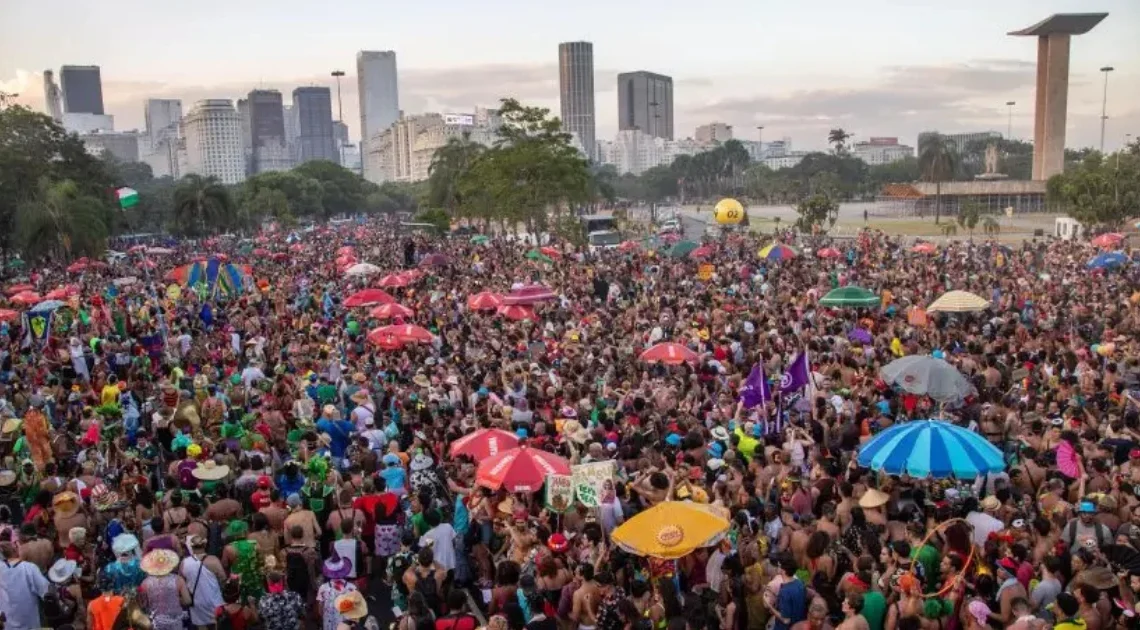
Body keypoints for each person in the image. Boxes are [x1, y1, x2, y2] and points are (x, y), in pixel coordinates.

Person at [0, 540, 50, 630]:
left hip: (7, 623)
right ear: (15, 551)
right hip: (30, 623)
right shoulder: (29, 568)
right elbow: (46, 591)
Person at [139, 548, 192, 630]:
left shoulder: (145, 583)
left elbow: (143, 605)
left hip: (156, 623)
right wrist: (176, 599)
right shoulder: (178, 580)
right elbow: (188, 600)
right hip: (175, 621)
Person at [181, 534, 226, 630]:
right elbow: (223, 578)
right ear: (205, 546)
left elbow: (182, 582)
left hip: (197, 602)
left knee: (201, 626)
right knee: (217, 623)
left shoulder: (184, 563)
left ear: (192, 547)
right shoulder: (213, 560)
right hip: (215, 599)